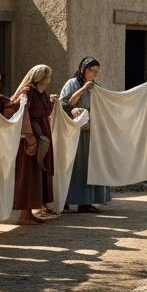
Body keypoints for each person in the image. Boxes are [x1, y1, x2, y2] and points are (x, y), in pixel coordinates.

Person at [58, 57, 112, 213]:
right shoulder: (72, 84)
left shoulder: (95, 87)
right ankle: (66, 200)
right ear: (83, 70)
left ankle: (86, 201)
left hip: (90, 133)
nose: (94, 74)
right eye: (91, 70)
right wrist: (82, 89)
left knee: (88, 168)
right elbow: (65, 104)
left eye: (96, 72)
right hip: (75, 132)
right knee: (74, 167)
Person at [11, 65, 56, 225]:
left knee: (37, 173)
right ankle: (24, 214)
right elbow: (23, 112)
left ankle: (30, 212)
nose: (49, 79)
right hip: (32, 135)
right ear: (41, 77)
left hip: (42, 133)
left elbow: (45, 112)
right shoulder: (28, 91)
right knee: (28, 173)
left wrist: (50, 102)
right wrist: (29, 136)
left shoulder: (41, 93)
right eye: (48, 76)